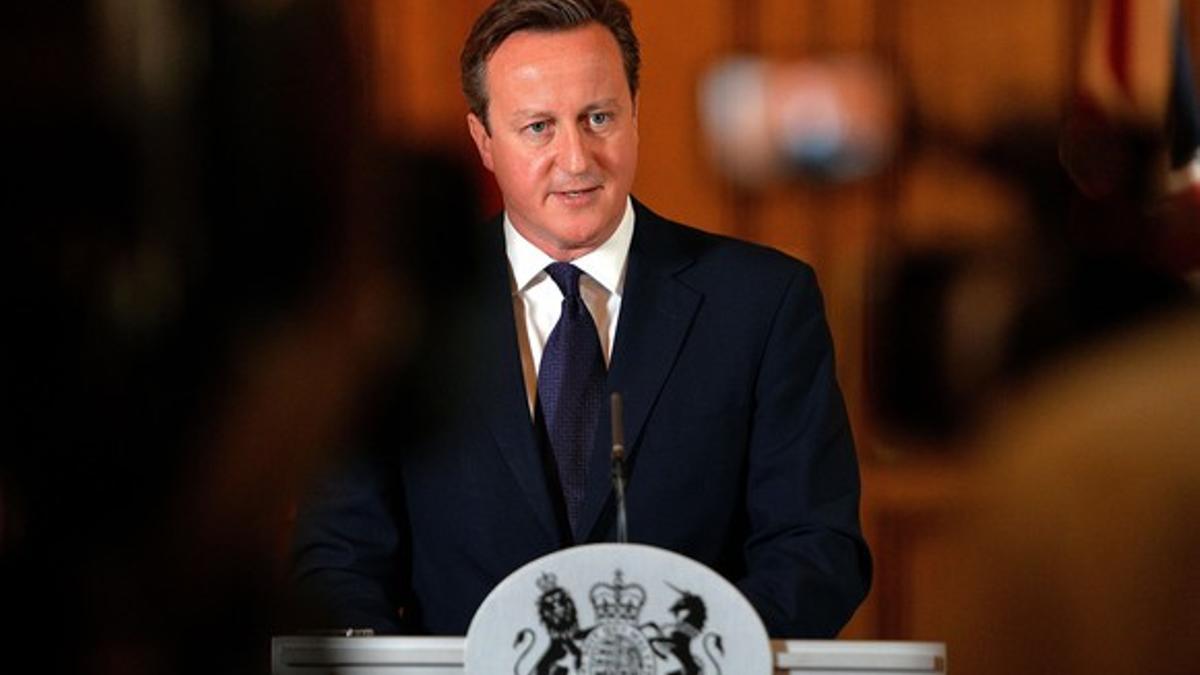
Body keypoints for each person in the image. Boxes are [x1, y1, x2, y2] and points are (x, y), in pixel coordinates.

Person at [291, 0, 870, 639]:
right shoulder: (401, 305)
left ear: (635, 116)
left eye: (598, 118)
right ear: (483, 141)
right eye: (538, 127)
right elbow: (340, 555)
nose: (576, 159)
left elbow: (816, 548)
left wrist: (692, 657)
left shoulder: (763, 302)